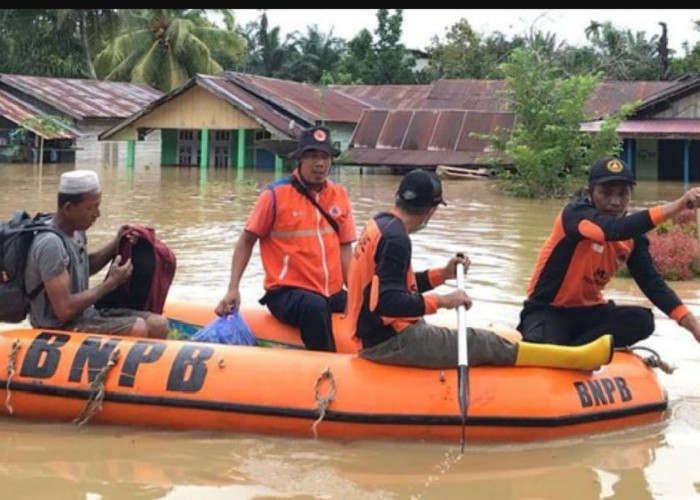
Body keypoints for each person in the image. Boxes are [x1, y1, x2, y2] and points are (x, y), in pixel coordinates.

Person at [345, 168, 613, 370]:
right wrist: (444, 301)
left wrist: (442, 275)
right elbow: (387, 302)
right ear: (431, 210)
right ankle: (574, 359)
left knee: (480, 336)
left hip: (377, 333)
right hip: (388, 342)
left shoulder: (380, 224)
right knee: (482, 342)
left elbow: (392, 284)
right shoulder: (397, 239)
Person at [517, 155, 700, 348]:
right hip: (548, 310)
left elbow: (653, 285)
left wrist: (694, 326)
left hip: (590, 313)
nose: (615, 202)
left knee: (642, 320)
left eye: (623, 194)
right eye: (606, 193)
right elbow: (611, 230)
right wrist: (679, 205)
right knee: (543, 343)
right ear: (590, 193)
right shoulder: (575, 215)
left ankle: (578, 351)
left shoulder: (634, 238)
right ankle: (568, 352)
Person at [215, 125, 356, 351]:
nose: (319, 163)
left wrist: (356, 294)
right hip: (287, 294)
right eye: (311, 156)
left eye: (324, 156)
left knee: (371, 305)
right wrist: (233, 288)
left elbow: (345, 249)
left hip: (332, 291)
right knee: (315, 307)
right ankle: (327, 368)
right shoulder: (275, 195)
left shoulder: (339, 195)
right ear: (298, 160)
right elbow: (246, 241)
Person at [24, 170, 169, 339]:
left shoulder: (77, 231)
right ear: (68, 208)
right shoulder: (50, 243)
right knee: (138, 328)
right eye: (91, 208)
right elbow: (64, 310)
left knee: (159, 324)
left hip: (85, 314)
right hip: (59, 325)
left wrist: (117, 242)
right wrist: (110, 283)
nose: (97, 214)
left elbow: (85, 266)